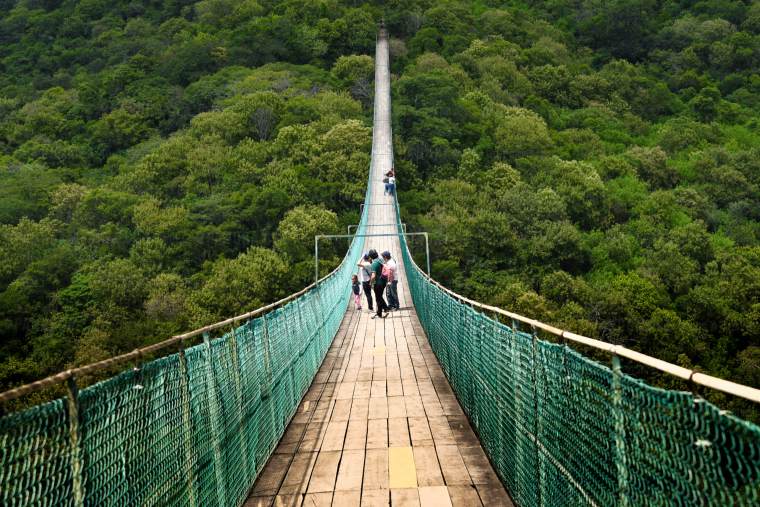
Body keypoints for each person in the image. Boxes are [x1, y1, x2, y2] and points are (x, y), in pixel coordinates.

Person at [368, 249, 389, 319]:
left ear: (370, 257)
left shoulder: (374, 264)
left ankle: (383, 311)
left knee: (378, 298)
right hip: (383, 281)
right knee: (379, 297)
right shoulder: (380, 259)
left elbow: (373, 276)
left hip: (378, 283)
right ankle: (381, 311)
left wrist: (370, 283)